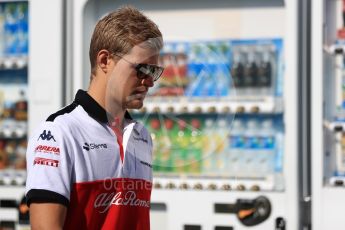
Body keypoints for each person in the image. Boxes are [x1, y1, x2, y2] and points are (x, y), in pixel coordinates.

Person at [25, 6, 164, 229]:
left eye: (154, 72)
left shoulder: (142, 135)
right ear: (104, 60)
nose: (149, 82)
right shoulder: (58, 133)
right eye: (142, 69)